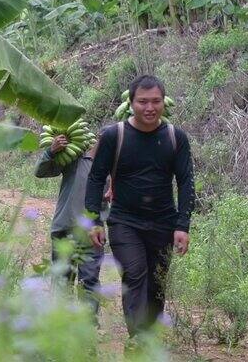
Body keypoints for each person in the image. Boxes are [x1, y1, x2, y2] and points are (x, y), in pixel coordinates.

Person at [83, 74, 195, 338]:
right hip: (125, 221)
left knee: (157, 284)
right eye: (143, 101)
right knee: (134, 274)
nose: (149, 108)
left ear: (163, 103)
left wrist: (182, 225)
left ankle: (149, 336)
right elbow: (96, 178)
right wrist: (94, 221)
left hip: (163, 223)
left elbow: (186, 181)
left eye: (156, 101)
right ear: (131, 102)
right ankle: (137, 341)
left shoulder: (174, 137)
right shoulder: (114, 135)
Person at [34, 135, 109, 320]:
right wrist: (52, 151)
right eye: (107, 139)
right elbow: (41, 172)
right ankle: (62, 328)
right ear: (98, 139)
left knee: (90, 281)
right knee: (62, 281)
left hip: (93, 232)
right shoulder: (75, 158)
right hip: (65, 228)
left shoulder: (112, 167)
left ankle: (88, 328)